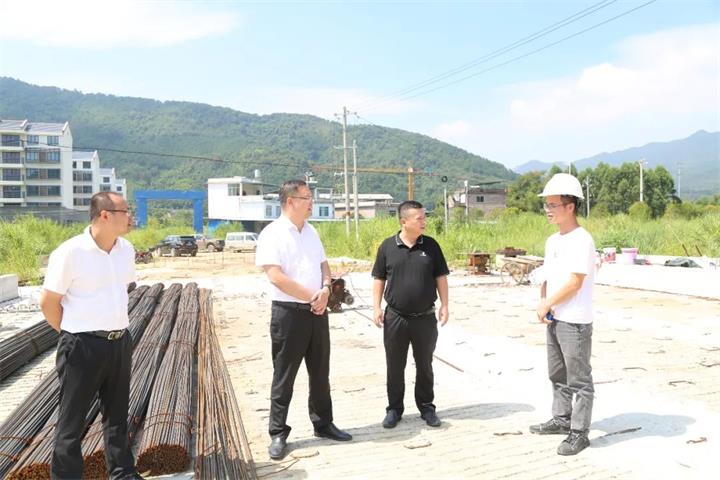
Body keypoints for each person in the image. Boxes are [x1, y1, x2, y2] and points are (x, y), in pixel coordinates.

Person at [39, 191, 142, 479]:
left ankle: (122, 473)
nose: (130, 217)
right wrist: (73, 332)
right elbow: (48, 302)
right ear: (105, 215)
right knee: (72, 422)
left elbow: (121, 290)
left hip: (119, 341)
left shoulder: (126, 250)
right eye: (125, 211)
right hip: (81, 345)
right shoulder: (71, 252)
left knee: (117, 415)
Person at [255, 179, 352, 461]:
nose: (312, 202)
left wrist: (326, 288)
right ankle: (278, 433)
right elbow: (276, 276)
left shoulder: (311, 231)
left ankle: (323, 423)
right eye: (306, 197)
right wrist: (313, 296)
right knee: (284, 376)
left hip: (317, 312)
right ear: (290, 201)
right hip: (288, 314)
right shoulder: (272, 234)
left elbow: (324, 265)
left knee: (320, 371)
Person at [530, 173, 596, 456]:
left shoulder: (582, 240)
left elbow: (575, 282)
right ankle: (561, 419)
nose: (548, 209)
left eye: (553, 204)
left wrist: (548, 303)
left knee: (579, 380)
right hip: (555, 316)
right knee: (557, 373)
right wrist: (544, 301)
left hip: (575, 320)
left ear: (570, 206)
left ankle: (579, 432)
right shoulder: (553, 240)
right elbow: (548, 274)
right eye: (546, 204)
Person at [371, 200, 449, 429]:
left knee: (425, 364)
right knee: (395, 365)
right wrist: (376, 307)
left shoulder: (431, 246)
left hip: (425, 317)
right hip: (396, 317)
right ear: (404, 221)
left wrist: (445, 305)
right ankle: (394, 409)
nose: (424, 222)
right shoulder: (387, 247)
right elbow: (379, 278)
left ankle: (427, 407)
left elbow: (441, 277)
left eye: (425, 217)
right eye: (419, 218)